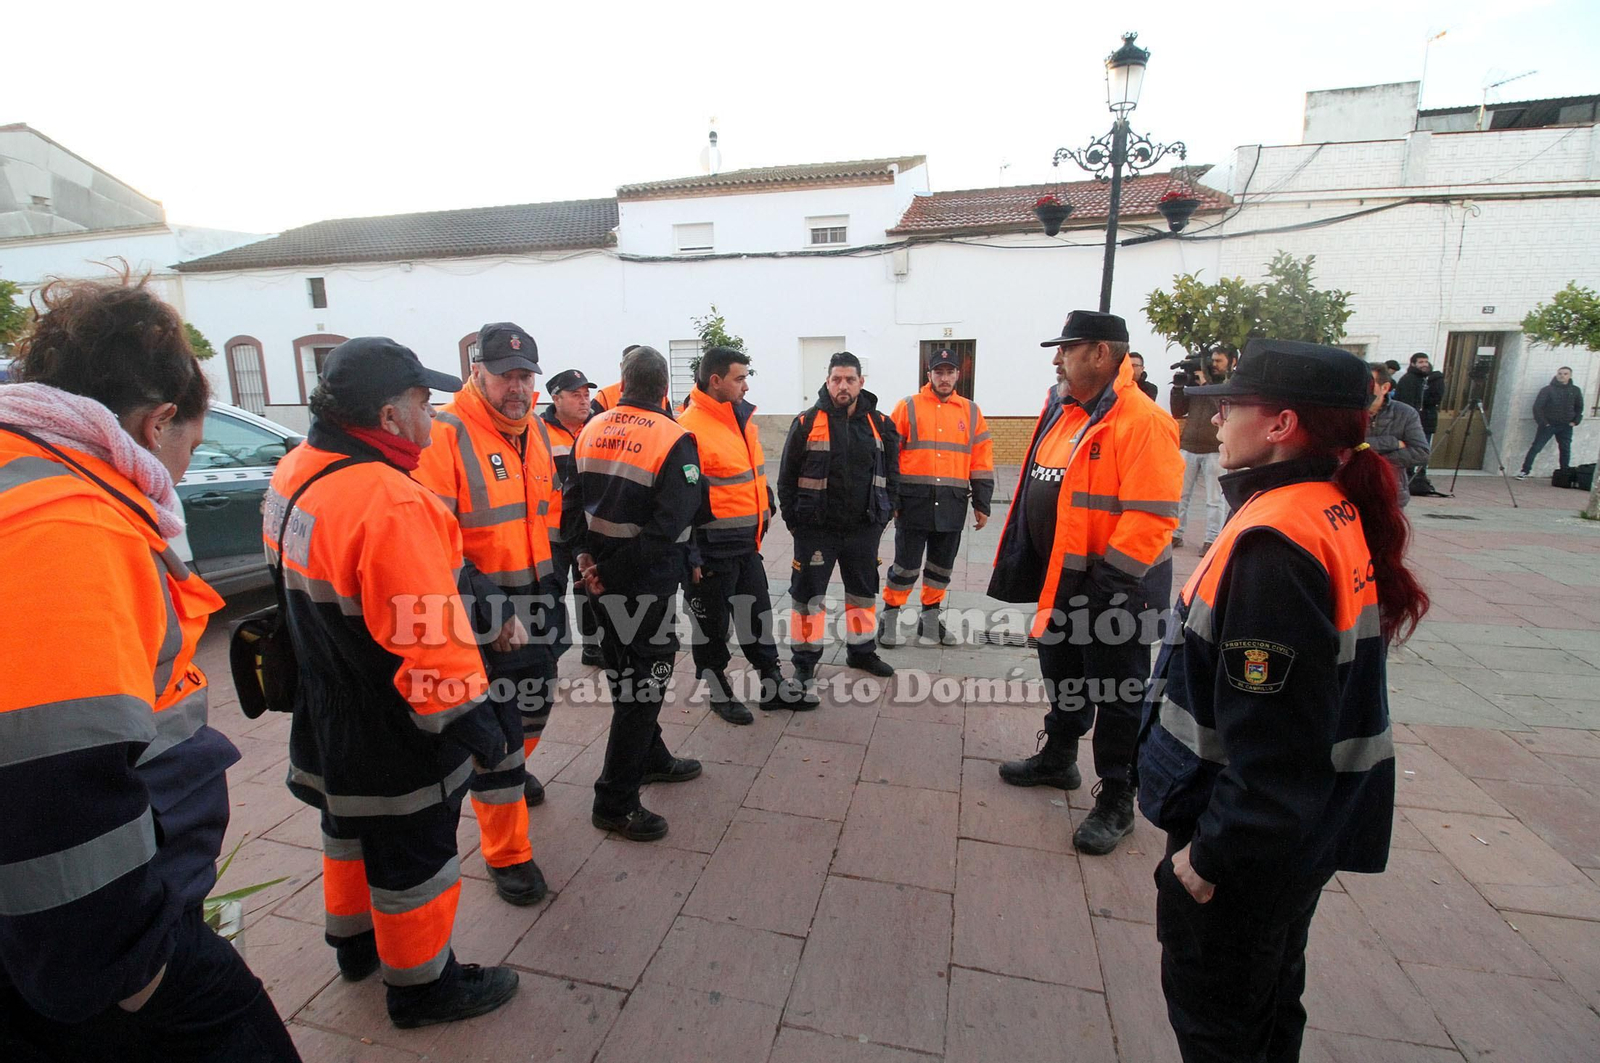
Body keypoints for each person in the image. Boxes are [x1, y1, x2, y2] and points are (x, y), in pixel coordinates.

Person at [0, 274, 301, 1060]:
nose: (182, 470)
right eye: (191, 449)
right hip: (106, 958)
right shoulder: (66, 523)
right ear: (158, 420)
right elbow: (50, 779)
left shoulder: (23, 475)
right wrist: (136, 971)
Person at [1134, 338, 1428, 1062]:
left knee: (1222, 1029)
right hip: (1297, 840)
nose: (1219, 419)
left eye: (1232, 405)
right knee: (1267, 1011)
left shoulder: (1277, 539)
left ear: (1281, 424)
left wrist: (1210, 859)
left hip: (1245, 852)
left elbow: (1275, 744)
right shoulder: (1323, 507)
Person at [269, 337, 519, 1027]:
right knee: (416, 858)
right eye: (421, 402)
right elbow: (431, 643)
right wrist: (482, 730)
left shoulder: (296, 468)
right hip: (393, 725)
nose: (433, 415)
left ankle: (353, 945)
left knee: (346, 833)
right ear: (387, 415)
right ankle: (423, 988)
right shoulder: (387, 500)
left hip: (325, 703)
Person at [989, 310, 1182, 856]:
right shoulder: (1067, 412)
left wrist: (1109, 585)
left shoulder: (1141, 421)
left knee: (1118, 691)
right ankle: (1060, 757)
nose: (1057, 358)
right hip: (1067, 580)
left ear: (1100, 353)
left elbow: (1151, 517)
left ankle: (1119, 798)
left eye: (1067, 348)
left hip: (1119, 587)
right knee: (1063, 669)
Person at [413, 322, 559, 907]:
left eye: (526, 376)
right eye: (506, 377)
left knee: (537, 707)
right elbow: (431, 543)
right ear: (477, 372)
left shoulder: (536, 431)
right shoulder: (444, 435)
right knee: (497, 737)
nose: (518, 388)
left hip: (540, 597)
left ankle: (508, 770)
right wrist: (490, 612)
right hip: (483, 612)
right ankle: (507, 856)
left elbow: (548, 515)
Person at [569, 346, 704, 842]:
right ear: (665, 388)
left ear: (621, 384)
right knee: (642, 690)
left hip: (599, 586)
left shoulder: (590, 429)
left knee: (625, 676)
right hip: (642, 587)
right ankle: (615, 800)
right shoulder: (674, 439)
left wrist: (587, 563)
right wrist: (611, 571)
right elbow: (669, 526)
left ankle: (652, 756)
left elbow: (570, 507)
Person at [679, 346, 811, 723]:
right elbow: (682, 503)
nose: (746, 385)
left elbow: (746, 472)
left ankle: (771, 683)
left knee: (758, 616)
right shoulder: (689, 428)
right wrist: (692, 556)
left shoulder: (741, 418)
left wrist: (764, 501)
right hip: (709, 552)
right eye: (739, 378)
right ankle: (718, 690)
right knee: (712, 627)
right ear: (715, 380)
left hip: (745, 545)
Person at [778, 351, 902, 688]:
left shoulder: (881, 424)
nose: (842, 385)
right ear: (827, 381)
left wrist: (882, 517)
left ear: (862, 382)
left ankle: (861, 652)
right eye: (836, 379)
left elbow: (893, 476)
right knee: (808, 597)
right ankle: (804, 661)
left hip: (863, 530)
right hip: (815, 531)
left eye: (850, 379)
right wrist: (795, 523)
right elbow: (786, 478)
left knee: (862, 594)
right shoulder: (806, 422)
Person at [880, 349, 995, 647]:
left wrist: (982, 503)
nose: (944, 378)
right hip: (913, 503)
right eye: (938, 372)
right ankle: (889, 617)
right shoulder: (907, 407)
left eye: (950, 372)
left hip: (952, 504)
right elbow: (889, 456)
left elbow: (981, 460)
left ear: (958, 375)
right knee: (905, 566)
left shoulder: (971, 412)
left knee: (941, 568)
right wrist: (890, 499)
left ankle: (930, 621)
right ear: (929, 375)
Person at [542, 368, 603, 666]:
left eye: (586, 395)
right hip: (551, 532)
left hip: (585, 529)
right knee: (551, 592)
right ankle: (549, 654)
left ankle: (592, 645)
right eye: (575, 395)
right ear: (556, 399)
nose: (584, 401)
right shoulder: (537, 432)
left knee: (587, 587)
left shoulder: (596, 428)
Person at [1169, 347, 1233, 552]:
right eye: (1211, 361)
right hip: (1189, 446)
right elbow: (1178, 410)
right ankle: (1176, 534)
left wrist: (1207, 385)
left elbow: (1225, 412)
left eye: (1218, 361)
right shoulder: (1195, 383)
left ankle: (1212, 539)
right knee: (1180, 495)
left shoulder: (1229, 385)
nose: (1214, 365)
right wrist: (1179, 388)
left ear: (1232, 362)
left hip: (1214, 449)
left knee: (1214, 499)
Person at [1364, 363, 1430, 507]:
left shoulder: (1405, 413)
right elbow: (1344, 447)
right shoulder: (1348, 413)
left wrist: (1376, 462)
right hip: (1350, 493)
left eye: (1369, 385)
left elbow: (1421, 452)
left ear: (1385, 387)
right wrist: (1392, 442)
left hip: (1391, 493)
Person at [1518, 367, 1585, 479]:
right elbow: (1537, 407)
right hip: (1549, 425)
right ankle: (1525, 471)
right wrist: (1544, 423)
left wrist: (1575, 421)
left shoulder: (1575, 390)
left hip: (1566, 426)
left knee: (1565, 449)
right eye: (1560, 373)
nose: (1562, 376)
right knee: (1536, 447)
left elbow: (1579, 407)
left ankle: (1564, 473)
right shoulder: (1547, 390)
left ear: (1570, 376)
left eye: (1565, 374)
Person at [1394, 352, 1444, 492]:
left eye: (1426, 362)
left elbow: (1436, 398)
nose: (1424, 365)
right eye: (1421, 362)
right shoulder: (1409, 380)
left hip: (1426, 421)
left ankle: (1419, 479)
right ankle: (1409, 479)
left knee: (1422, 451)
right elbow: (1405, 401)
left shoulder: (1431, 380)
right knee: (1410, 452)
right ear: (1413, 364)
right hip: (1411, 424)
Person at [589, 344, 640, 417]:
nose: (634, 370)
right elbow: (587, 423)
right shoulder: (605, 396)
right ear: (621, 366)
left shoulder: (660, 395)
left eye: (638, 365)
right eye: (630, 365)